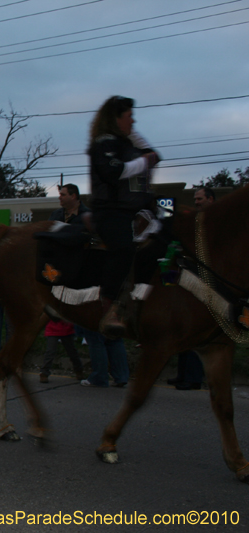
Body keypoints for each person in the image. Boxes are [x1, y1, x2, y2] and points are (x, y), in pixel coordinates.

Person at [88, 96, 161, 336]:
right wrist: (143, 161)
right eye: (129, 116)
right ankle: (110, 305)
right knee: (123, 248)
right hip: (110, 211)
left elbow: (153, 154)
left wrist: (141, 146)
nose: (134, 120)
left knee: (166, 238)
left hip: (135, 209)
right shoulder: (104, 143)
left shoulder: (125, 141)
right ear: (115, 118)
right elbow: (113, 171)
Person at [39, 183, 90, 382]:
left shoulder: (86, 216)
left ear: (74, 196)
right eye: (59, 194)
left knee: (69, 338)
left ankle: (82, 343)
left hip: (79, 272)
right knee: (54, 331)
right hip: (56, 271)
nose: (59, 197)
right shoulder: (55, 215)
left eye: (63, 194)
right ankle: (46, 370)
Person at [167, 187, 214, 390]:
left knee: (194, 329)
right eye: (195, 199)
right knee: (184, 328)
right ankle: (183, 374)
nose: (196, 202)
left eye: (200, 199)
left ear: (211, 199)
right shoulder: (198, 220)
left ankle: (194, 378)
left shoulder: (215, 220)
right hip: (192, 276)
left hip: (207, 280)